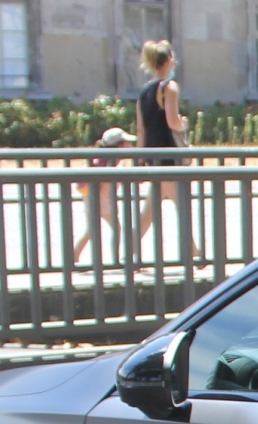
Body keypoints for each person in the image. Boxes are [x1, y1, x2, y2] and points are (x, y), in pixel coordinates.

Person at [132, 41, 202, 261]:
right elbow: (173, 122)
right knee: (181, 207)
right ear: (169, 60)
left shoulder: (144, 92)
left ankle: (129, 253)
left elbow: (141, 129)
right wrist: (184, 123)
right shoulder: (169, 87)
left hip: (154, 158)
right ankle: (195, 255)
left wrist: (140, 158)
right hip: (170, 158)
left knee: (150, 212)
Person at [69, 125, 134, 265]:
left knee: (92, 230)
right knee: (115, 229)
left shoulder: (102, 160)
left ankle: (74, 256)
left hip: (94, 199)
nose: (130, 145)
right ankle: (115, 259)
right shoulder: (110, 163)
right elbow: (105, 184)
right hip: (102, 201)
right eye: (126, 143)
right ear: (119, 146)